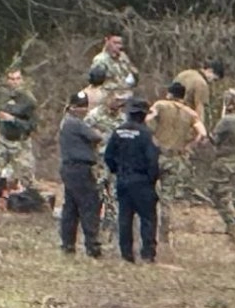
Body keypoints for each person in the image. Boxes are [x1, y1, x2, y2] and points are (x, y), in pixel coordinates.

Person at [147, 81, 207, 245]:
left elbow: (146, 119)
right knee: (167, 199)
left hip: (156, 156)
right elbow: (202, 134)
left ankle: (147, 232)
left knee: (147, 194)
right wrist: (189, 146)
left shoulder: (161, 105)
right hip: (176, 158)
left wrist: (150, 139)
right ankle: (164, 236)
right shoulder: (190, 113)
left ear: (169, 94)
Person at [104, 98, 160, 263]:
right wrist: (151, 179)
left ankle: (126, 254)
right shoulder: (146, 135)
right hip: (142, 181)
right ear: (143, 115)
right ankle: (148, 254)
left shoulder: (118, 131)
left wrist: (117, 171)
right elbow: (153, 160)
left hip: (123, 179)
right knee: (148, 218)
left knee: (125, 218)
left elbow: (108, 156)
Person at [0, 67, 37, 207]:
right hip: (3, 140)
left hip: (20, 143)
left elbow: (32, 125)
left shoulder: (29, 100)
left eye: (17, 79)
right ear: (7, 80)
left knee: (25, 177)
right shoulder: (1, 96)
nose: (15, 82)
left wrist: (13, 120)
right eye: (12, 79)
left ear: (22, 80)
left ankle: (26, 205)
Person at [59, 91, 103, 258]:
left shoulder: (66, 122)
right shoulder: (75, 123)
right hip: (80, 169)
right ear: (71, 107)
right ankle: (92, 246)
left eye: (85, 106)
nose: (84, 110)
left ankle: (68, 245)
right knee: (89, 205)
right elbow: (96, 136)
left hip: (69, 169)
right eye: (79, 107)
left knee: (71, 207)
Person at [85, 89, 132, 238]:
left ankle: (112, 228)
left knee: (114, 195)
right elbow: (84, 134)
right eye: (116, 100)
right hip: (97, 161)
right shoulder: (94, 115)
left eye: (121, 101)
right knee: (95, 194)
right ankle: (92, 227)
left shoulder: (123, 119)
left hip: (116, 162)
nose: (119, 103)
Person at [207, 88, 235, 238]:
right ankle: (232, 218)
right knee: (226, 191)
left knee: (216, 192)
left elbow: (214, 139)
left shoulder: (228, 120)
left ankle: (231, 223)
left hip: (224, 161)